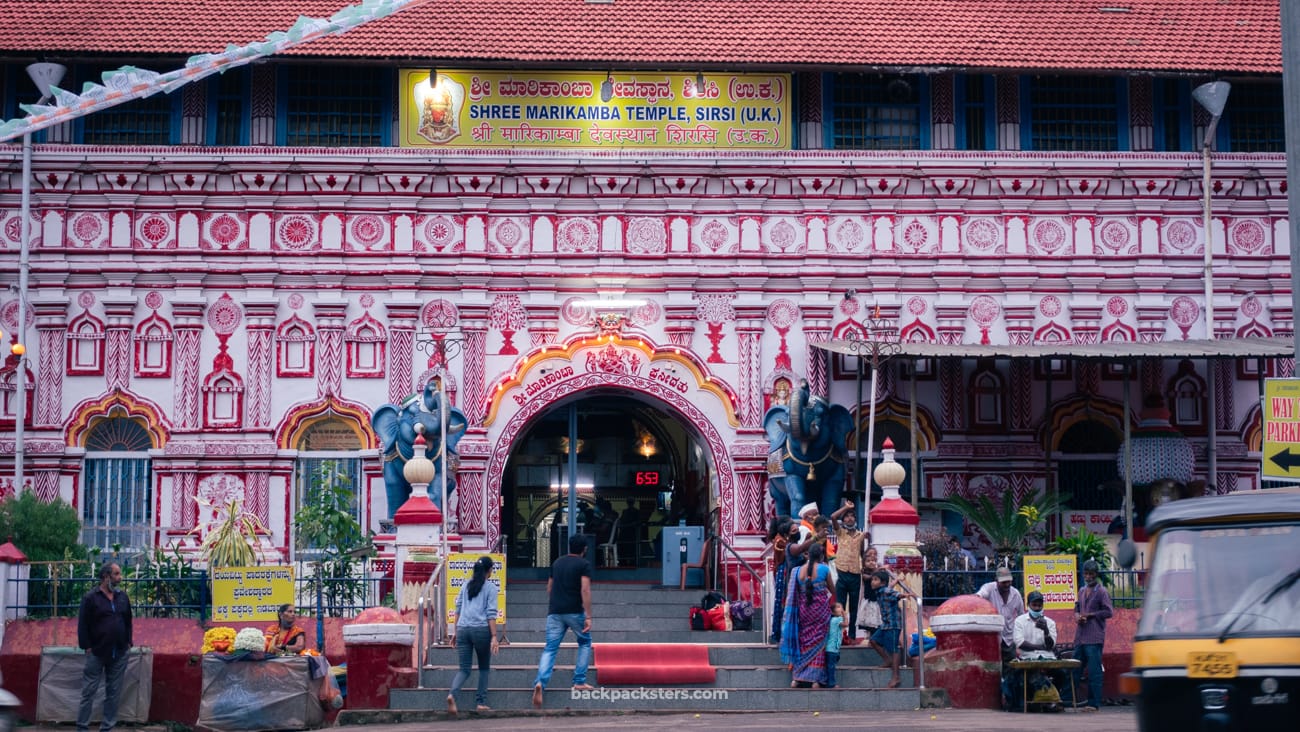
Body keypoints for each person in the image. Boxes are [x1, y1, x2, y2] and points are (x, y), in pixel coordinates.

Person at [532, 534, 594, 708]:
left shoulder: (557, 563)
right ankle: (579, 681)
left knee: (550, 648)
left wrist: (558, 600)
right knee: (584, 643)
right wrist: (588, 616)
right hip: (574, 611)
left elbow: (549, 588)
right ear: (584, 549)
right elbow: (585, 590)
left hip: (555, 611)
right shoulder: (584, 565)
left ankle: (540, 683)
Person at [76, 562, 132, 732]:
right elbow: (83, 624)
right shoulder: (91, 598)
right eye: (116, 574)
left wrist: (129, 641)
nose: (120, 578)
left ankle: (107, 727)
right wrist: (86, 646)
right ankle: (82, 727)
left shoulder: (122, 596)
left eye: (119, 574)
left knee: (113, 693)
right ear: (106, 577)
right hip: (97, 652)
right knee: (89, 692)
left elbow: (128, 620)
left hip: (119, 652)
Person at [448, 555, 500, 714]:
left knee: (464, 669)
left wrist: (455, 632)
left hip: (463, 629)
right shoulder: (490, 588)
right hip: (480, 630)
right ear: (489, 571)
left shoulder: (465, 585)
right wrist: (494, 636)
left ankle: (452, 695)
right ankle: (481, 702)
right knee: (484, 668)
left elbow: (457, 610)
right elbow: (491, 614)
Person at [780, 542, 832, 688]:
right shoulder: (824, 569)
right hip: (820, 611)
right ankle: (815, 680)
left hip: (803, 611)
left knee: (804, 640)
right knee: (819, 642)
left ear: (807, 555)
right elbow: (833, 591)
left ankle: (796, 678)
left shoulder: (797, 571)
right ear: (821, 556)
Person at [1011, 590, 1064, 710]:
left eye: (1039, 605)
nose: (1037, 608)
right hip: (1027, 659)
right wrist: (1039, 647)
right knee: (1027, 676)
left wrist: (1045, 631)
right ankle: (1035, 703)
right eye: (1034, 605)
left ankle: (1055, 701)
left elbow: (1051, 645)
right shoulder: (1020, 621)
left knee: (1062, 674)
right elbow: (1020, 643)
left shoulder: (1050, 622)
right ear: (1028, 605)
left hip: (1048, 658)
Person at [1073, 559, 1113, 712]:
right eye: (1086, 574)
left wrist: (1091, 615)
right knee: (1075, 668)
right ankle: (1068, 700)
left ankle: (1093, 703)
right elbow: (1076, 607)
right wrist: (1077, 615)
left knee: (1094, 671)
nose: (1088, 577)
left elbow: (1109, 612)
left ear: (1096, 575)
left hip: (1094, 636)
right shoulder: (1082, 590)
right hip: (1080, 636)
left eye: (1091, 574)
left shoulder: (1101, 592)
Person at [867, 568, 914, 689]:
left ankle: (896, 676)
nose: (872, 581)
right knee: (873, 641)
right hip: (885, 624)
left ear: (882, 582)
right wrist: (896, 581)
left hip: (893, 625)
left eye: (875, 579)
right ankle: (887, 660)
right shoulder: (881, 590)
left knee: (894, 649)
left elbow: (895, 594)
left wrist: (907, 595)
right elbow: (890, 588)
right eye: (872, 579)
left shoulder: (885, 591)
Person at [830, 500, 867, 644]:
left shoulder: (861, 535)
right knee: (839, 605)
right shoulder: (840, 532)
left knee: (853, 608)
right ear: (843, 519)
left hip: (855, 574)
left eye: (852, 516)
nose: (850, 518)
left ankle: (851, 636)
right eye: (847, 516)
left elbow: (862, 553)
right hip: (842, 572)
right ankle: (838, 635)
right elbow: (833, 517)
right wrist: (846, 507)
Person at [976, 566, 1025, 664]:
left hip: (1009, 639)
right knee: (992, 666)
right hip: (992, 637)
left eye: (1009, 581)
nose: (1007, 584)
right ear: (996, 580)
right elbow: (979, 596)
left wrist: (1020, 639)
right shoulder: (989, 588)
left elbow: (1021, 616)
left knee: (1011, 668)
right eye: (1003, 582)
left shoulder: (1016, 594)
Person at [766, 516, 795, 644]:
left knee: (783, 602)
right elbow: (787, 555)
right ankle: (780, 633)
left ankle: (780, 633)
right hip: (783, 572)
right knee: (783, 601)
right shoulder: (780, 540)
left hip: (783, 571)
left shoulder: (781, 539)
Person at [825, 602, 845, 688]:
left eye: (841, 606)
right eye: (838, 607)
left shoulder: (832, 620)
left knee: (830, 665)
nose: (841, 608)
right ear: (833, 612)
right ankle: (831, 683)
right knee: (831, 666)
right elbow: (846, 624)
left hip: (831, 648)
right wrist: (845, 615)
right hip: (832, 649)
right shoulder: (837, 619)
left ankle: (828, 681)